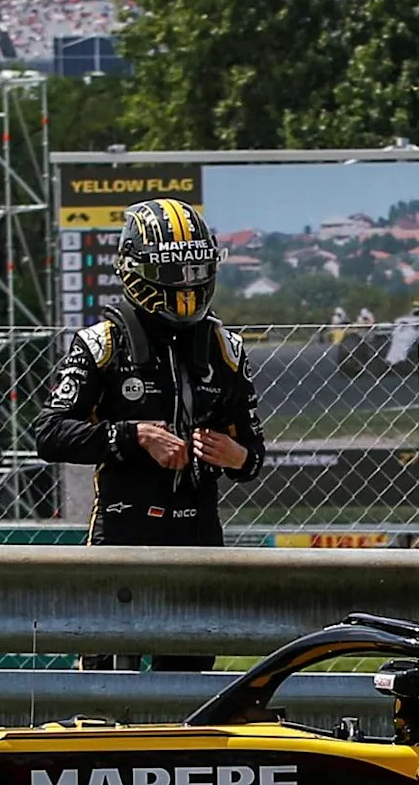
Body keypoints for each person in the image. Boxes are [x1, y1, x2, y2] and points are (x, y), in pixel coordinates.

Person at [33, 196, 262, 672]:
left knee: (188, 682)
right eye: (173, 273)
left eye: (195, 271)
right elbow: (49, 433)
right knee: (105, 685)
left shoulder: (226, 349)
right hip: (123, 530)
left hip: (198, 535)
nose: (186, 285)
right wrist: (132, 436)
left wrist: (236, 455)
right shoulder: (101, 344)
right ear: (137, 270)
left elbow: (255, 458)